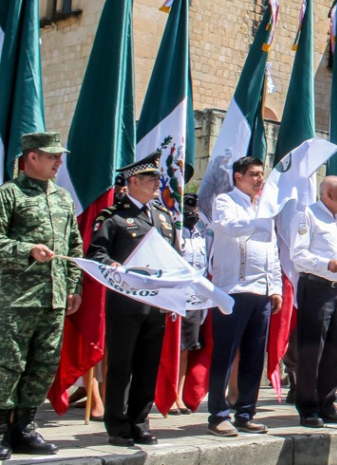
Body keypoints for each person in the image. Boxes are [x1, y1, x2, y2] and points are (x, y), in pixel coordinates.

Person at [0, 133, 83, 459]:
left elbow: (74, 245)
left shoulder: (62, 199)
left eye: (59, 156)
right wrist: (27, 251)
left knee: (42, 364)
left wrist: (73, 286)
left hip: (53, 299)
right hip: (16, 301)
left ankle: (25, 427)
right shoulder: (10, 194)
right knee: (8, 366)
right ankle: (1, 431)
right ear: (31, 157)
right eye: (52, 156)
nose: (58, 161)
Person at [86, 152, 178, 447]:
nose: (157, 183)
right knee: (122, 366)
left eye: (158, 178)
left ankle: (140, 422)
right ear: (133, 181)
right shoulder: (113, 217)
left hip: (156, 304)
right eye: (151, 178)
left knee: (148, 366)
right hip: (126, 304)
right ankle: (117, 425)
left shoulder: (163, 218)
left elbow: (176, 259)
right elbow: (96, 253)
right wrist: (111, 265)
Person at [207, 156, 283, 437]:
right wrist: (258, 220)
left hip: (261, 291)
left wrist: (275, 287)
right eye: (253, 174)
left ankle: (245, 412)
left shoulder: (264, 208)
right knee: (225, 354)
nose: (259, 179)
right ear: (238, 177)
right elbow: (228, 227)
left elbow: (272, 252)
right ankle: (217, 414)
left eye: (261, 174)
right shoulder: (225, 201)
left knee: (254, 355)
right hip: (233, 290)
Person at [290, 176, 337, 427]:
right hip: (316, 288)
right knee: (312, 350)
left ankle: (327, 402)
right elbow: (298, 255)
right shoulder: (308, 215)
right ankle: (307, 407)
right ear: (328, 193)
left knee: (335, 349)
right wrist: (324, 264)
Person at [176, 192, 208, 415]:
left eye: (196, 207)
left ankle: (178, 395)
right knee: (171, 349)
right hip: (175, 297)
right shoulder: (174, 231)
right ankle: (166, 394)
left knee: (186, 349)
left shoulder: (203, 235)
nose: (193, 211)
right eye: (188, 206)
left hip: (195, 299)